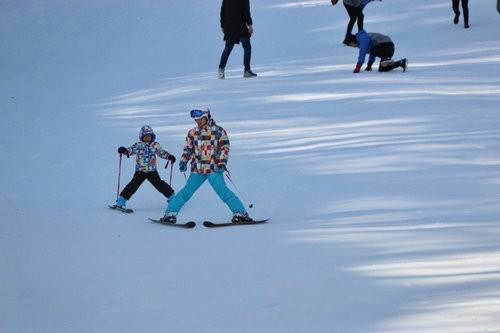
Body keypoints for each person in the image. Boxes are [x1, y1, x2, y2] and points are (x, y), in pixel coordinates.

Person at [159, 107, 253, 224]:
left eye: (200, 119)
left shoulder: (219, 131)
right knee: (185, 192)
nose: (198, 122)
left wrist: (222, 163)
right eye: (196, 120)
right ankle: (170, 214)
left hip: (214, 169)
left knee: (223, 193)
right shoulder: (192, 133)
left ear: (207, 117)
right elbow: (188, 149)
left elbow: (225, 148)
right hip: (197, 170)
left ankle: (240, 214)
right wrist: (184, 161)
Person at [113, 125, 176, 209]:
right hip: (140, 171)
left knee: (160, 184)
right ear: (142, 136)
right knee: (133, 186)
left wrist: (169, 156)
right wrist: (124, 150)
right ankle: (121, 201)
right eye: (145, 136)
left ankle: (173, 198)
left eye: (149, 136)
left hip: (152, 171)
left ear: (152, 136)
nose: (147, 138)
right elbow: (130, 151)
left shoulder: (155, 145)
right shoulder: (138, 145)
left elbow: (161, 152)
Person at [218, 0, 257, 79]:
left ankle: (221, 71)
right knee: (247, 47)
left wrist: (222, 25)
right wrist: (249, 25)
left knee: (228, 48)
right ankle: (247, 71)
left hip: (229, 27)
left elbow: (223, 10)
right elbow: (246, 11)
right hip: (240, 26)